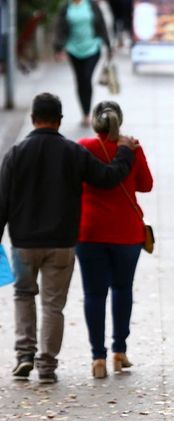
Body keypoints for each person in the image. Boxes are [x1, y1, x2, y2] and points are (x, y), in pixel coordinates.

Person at [0, 93, 136, 384]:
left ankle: (25, 356)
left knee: (23, 295)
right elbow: (108, 177)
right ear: (60, 120)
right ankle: (47, 366)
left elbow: (2, 201)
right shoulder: (73, 152)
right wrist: (125, 151)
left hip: (23, 244)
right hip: (61, 243)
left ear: (33, 118)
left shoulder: (15, 153)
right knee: (52, 305)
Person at [76, 101, 153, 379]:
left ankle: (98, 358)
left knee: (94, 294)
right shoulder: (132, 147)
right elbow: (146, 184)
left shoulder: (84, 146)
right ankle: (119, 351)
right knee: (122, 289)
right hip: (126, 234)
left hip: (90, 232)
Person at [54, 0, 112, 128]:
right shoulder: (65, 7)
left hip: (92, 47)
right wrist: (58, 48)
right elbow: (59, 28)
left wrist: (108, 46)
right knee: (80, 80)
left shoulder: (91, 5)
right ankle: (84, 113)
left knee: (87, 77)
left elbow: (101, 25)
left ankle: (88, 112)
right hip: (73, 49)